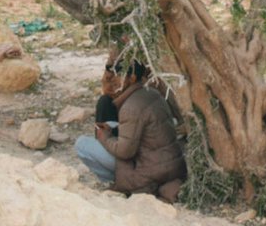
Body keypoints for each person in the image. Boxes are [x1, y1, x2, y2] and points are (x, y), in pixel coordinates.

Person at [73, 56, 186, 202]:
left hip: (150, 171)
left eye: (117, 77)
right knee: (109, 121)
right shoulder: (152, 93)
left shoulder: (131, 107)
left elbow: (125, 152)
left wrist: (104, 137)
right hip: (172, 166)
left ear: (132, 78)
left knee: (82, 144)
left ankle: (117, 183)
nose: (112, 82)